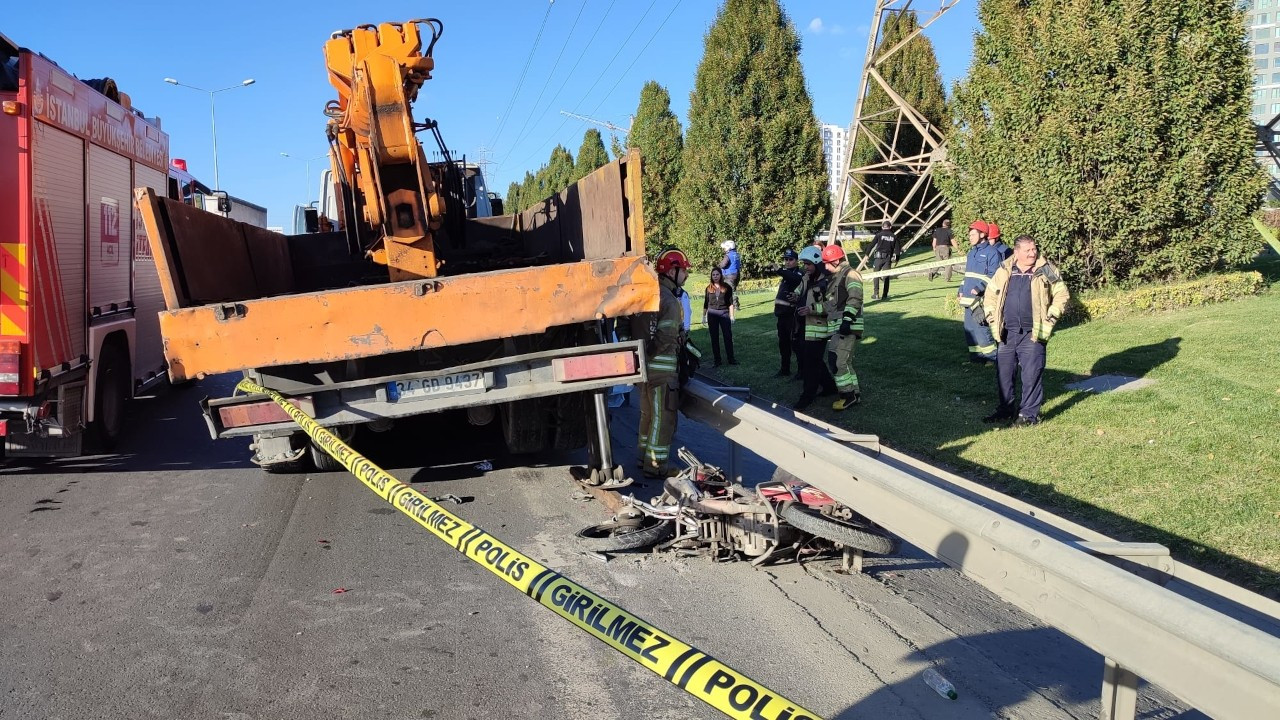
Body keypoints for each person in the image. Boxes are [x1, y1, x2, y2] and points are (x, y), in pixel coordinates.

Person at [982, 235, 1070, 426]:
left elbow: (1062, 293)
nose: (1033, 253)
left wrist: (1051, 317)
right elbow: (990, 295)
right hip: (1006, 333)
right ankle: (1005, 410)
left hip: (1033, 333)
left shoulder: (1045, 269)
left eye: (1034, 249)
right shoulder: (1005, 269)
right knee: (1004, 375)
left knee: (1031, 376)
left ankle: (1028, 416)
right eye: (1028, 250)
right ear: (1017, 252)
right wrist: (991, 318)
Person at [635, 248, 691, 477]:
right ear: (672, 271)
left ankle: (643, 457)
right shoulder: (669, 301)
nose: (686, 275)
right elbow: (667, 335)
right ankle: (656, 467)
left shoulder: (647, 293)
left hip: (644, 368)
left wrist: (641, 358)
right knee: (664, 418)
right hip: (661, 369)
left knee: (648, 415)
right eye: (684, 271)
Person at [792, 246, 838, 410]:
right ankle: (829, 386)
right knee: (812, 360)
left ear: (817, 263)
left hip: (818, 328)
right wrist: (795, 295)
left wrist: (811, 309)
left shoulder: (827, 282)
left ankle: (807, 396)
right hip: (803, 325)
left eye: (808, 264)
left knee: (810, 364)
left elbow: (832, 304)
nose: (805, 267)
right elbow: (800, 290)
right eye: (804, 264)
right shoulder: (807, 277)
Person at [820, 244, 865, 410]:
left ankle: (848, 396)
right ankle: (855, 394)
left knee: (838, 362)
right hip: (840, 327)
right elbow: (832, 306)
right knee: (844, 362)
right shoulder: (838, 277)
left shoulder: (850, 274)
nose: (824, 266)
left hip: (847, 326)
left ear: (836, 260)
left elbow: (855, 298)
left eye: (827, 262)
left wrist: (847, 320)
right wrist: (810, 309)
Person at [958, 220, 999, 363]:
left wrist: (980, 288)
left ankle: (993, 358)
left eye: (973, 234)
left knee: (981, 329)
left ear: (982, 234)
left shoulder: (992, 253)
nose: (970, 237)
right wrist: (961, 290)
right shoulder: (971, 253)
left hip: (981, 299)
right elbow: (967, 275)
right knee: (969, 329)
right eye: (969, 235)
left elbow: (994, 276)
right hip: (968, 299)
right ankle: (976, 359)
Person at [771, 248, 804, 377]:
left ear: (796, 261)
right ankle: (785, 369)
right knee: (783, 344)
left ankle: (801, 371)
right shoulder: (786, 275)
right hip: (781, 315)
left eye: (791, 259)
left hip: (792, 315)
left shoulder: (798, 274)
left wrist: (779, 270)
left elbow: (795, 279)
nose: (788, 262)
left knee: (795, 344)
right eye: (786, 259)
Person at [702, 268, 737, 367]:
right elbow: (705, 303)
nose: (715, 276)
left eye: (717, 274)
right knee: (714, 338)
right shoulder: (708, 288)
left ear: (721, 275)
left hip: (724, 314)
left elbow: (730, 303)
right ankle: (717, 360)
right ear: (711, 276)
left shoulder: (727, 288)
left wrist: (732, 316)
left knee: (727, 337)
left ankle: (731, 359)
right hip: (712, 314)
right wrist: (704, 316)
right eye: (713, 275)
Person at [869, 220, 900, 300]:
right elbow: (897, 250)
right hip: (888, 259)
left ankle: (876, 294)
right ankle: (885, 295)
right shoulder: (894, 236)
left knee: (875, 275)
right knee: (886, 277)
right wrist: (897, 259)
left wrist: (866, 255)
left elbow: (871, 245)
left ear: (882, 227)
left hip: (878, 258)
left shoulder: (879, 235)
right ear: (890, 227)